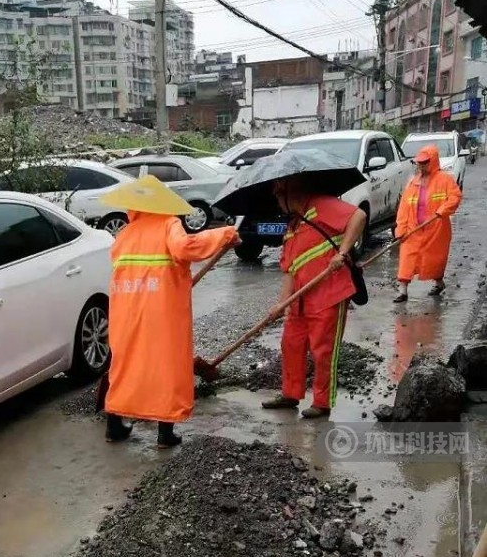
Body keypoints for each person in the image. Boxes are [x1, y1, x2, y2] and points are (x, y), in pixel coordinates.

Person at [99, 175, 239, 448]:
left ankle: (114, 426)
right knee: (166, 366)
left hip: (126, 313)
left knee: (125, 366)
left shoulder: (125, 234)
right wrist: (225, 233)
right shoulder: (168, 224)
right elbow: (185, 248)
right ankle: (165, 434)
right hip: (161, 314)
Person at [262, 175, 367, 419]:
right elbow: (289, 270)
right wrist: (282, 304)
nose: (277, 203)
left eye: (278, 196)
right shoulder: (292, 227)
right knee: (291, 344)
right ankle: (290, 394)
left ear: (289, 193)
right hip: (299, 302)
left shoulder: (322, 205)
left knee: (323, 351)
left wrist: (341, 253)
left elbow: (358, 217)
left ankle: (322, 402)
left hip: (329, 294)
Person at [394, 144, 462, 303]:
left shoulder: (445, 179)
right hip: (413, 230)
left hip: (436, 229)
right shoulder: (413, 183)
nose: (421, 166)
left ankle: (439, 283)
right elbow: (403, 208)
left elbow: (455, 197)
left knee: (434, 261)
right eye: (420, 163)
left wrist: (442, 211)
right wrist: (401, 230)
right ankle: (402, 291)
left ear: (433, 161)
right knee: (406, 258)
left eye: (425, 163)